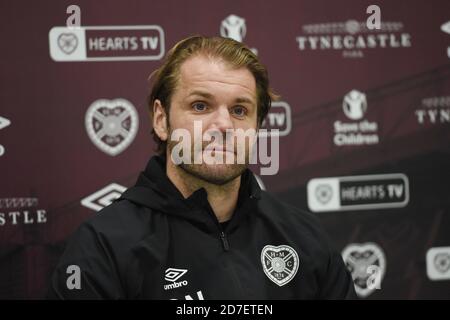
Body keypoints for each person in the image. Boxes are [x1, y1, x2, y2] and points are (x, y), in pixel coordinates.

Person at [48, 35, 357, 300]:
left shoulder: (304, 239)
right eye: (200, 106)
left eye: (239, 110)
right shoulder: (103, 245)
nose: (223, 124)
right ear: (161, 119)